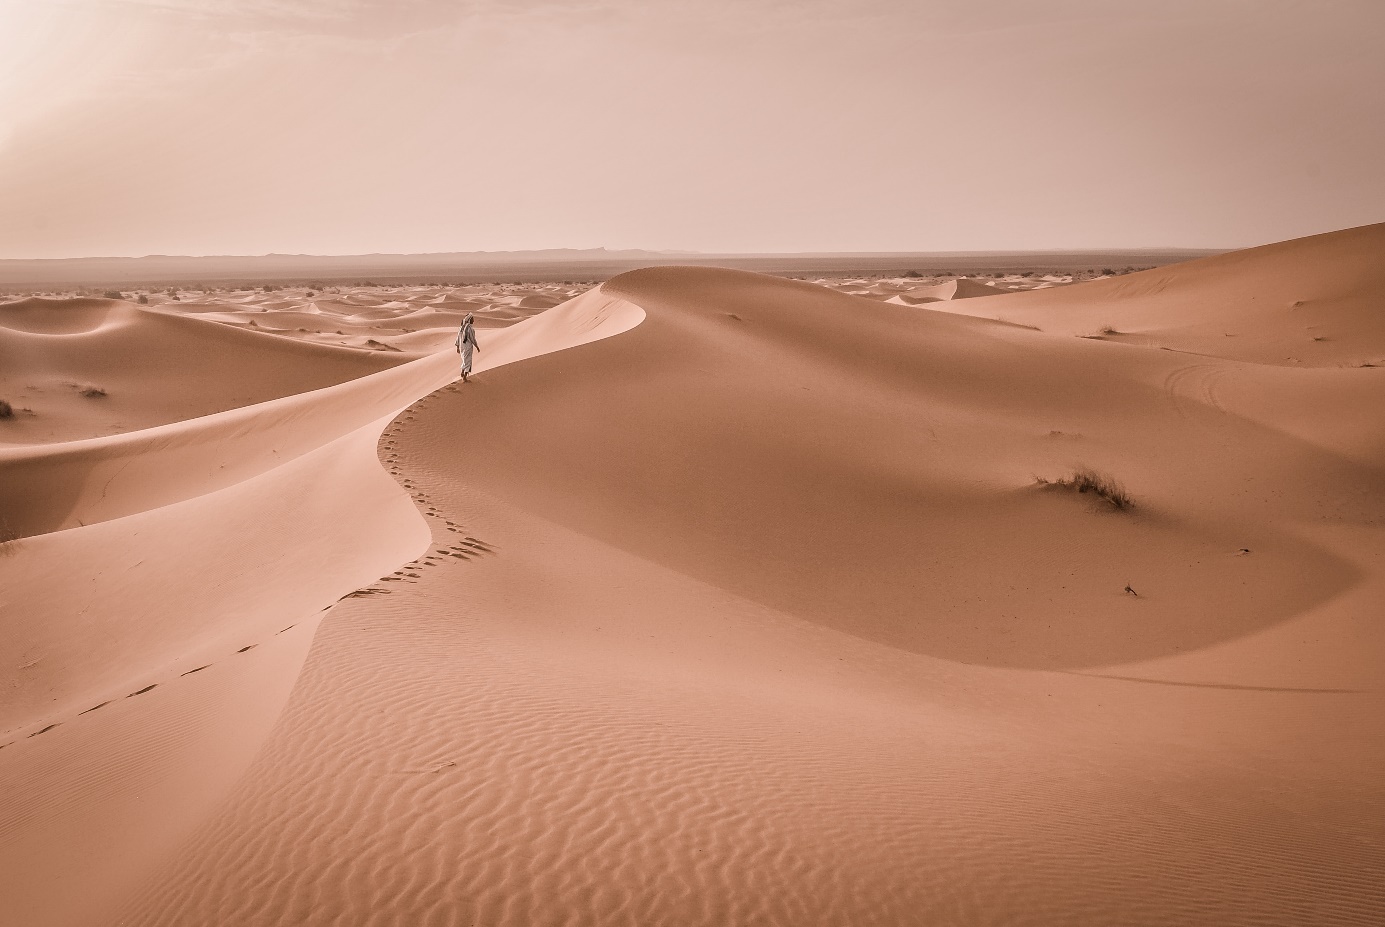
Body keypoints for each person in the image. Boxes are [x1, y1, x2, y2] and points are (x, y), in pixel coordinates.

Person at [455, 312, 479, 381]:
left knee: (464, 360)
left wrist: (457, 346)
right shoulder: (470, 329)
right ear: (469, 320)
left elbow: (457, 338)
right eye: (472, 319)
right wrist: (476, 346)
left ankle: (462, 372)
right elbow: (472, 338)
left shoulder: (461, 328)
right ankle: (464, 377)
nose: (473, 320)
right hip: (467, 347)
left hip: (462, 347)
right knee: (468, 361)